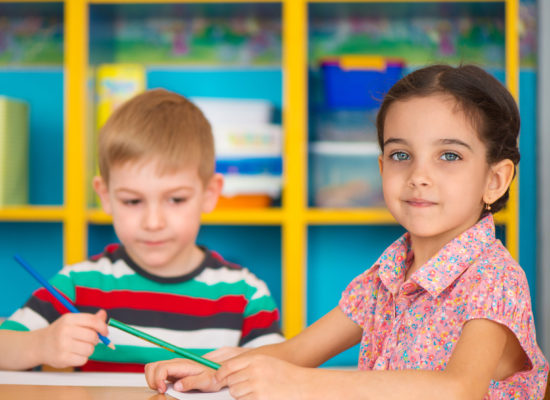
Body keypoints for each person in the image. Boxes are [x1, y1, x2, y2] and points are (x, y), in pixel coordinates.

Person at [144, 65, 549, 399]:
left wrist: (300, 384)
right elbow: (296, 351)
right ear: (381, 169)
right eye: (401, 155)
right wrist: (217, 369)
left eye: (449, 155)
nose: (419, 176)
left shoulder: (495, 278)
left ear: (495, 180)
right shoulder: (387, 275)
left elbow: (457, 389)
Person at [0, 88, 283, 372]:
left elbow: (276, 375)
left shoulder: (246, 296)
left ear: (210, 193)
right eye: (133, 201)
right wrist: (39, 344)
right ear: (106, 196)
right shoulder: (78, 284)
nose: (153, 222)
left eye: (176, 199)